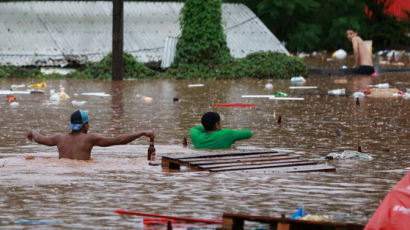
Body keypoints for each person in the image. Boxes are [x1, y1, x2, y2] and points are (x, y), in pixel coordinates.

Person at [27, 110, 154, 160]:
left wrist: (32, 132)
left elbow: (39, 139)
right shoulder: (89, 139)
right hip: (83, 172)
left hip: (62, 171)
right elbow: (119, 140)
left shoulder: (59, 138)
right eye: (87, 124)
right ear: (83, 125)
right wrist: (142, 133)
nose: (89, 126)